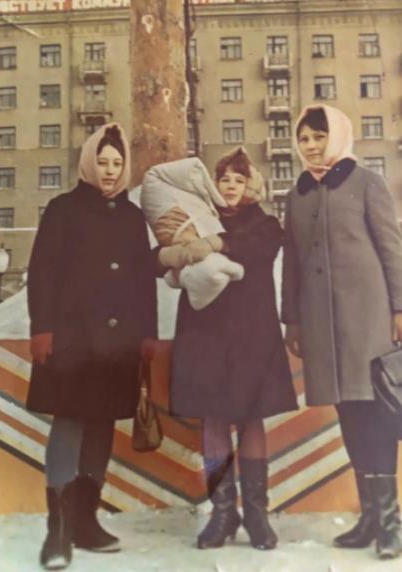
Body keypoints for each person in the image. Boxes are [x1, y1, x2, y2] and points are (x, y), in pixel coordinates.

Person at [26, 123, 157, 570]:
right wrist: (42, 329)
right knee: (69, 422)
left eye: (117, 163)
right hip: (71, 338)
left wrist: (147, 334)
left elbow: (143, 280)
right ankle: (58, 531)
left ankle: (86, 522)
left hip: (118, 341)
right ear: (88, 163)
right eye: (102, 162)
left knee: (102, 424)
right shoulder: (62, 209)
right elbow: (42, 271)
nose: (110, 170)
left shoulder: (133, 216)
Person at [159, 147, 298, 550]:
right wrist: (177, 254)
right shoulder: (198, 218)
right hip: (204, 335)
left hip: (252, 336)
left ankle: (256, 514)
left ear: (252, 185)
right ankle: (223, 514)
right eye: (224, 179)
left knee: (252, 420)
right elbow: (166, 253)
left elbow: (256, 248)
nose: (231, 185)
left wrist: (213, 243)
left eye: (240, 179)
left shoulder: (265, 224)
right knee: (214, 420)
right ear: (214, 185)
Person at [282, 104, 402, 560]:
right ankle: (368, 518)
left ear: (336, 136)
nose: (311, 146)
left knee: (375, 414)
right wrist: (292, 319)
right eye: (304, 139)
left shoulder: (367, 182)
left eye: (319, 136)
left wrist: (400, 308)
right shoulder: (297, 194)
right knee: (348, 415)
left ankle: (390, 524)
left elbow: (391, 249)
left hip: (368, 320)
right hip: (321, 325)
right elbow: (291, 263)